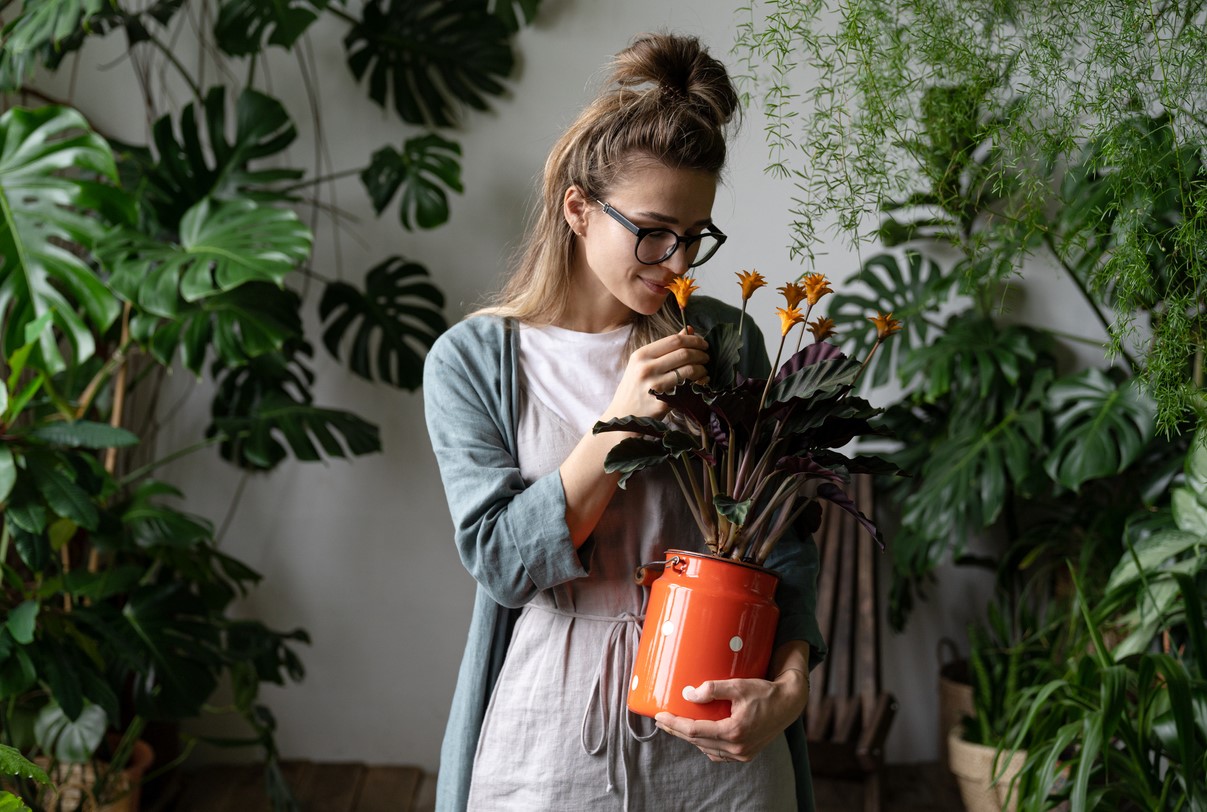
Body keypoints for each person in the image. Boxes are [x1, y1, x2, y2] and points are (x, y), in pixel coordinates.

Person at [423, 32, 826, 812]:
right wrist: (617, 429)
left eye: (694, 236)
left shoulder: (723, 339)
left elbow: (787, 539)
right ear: (578, 207)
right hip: (548, 739)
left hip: (718, 730)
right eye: (652, 231)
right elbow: (503, 563)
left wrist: (788, 685)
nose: (677, 262)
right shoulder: (472, 361)